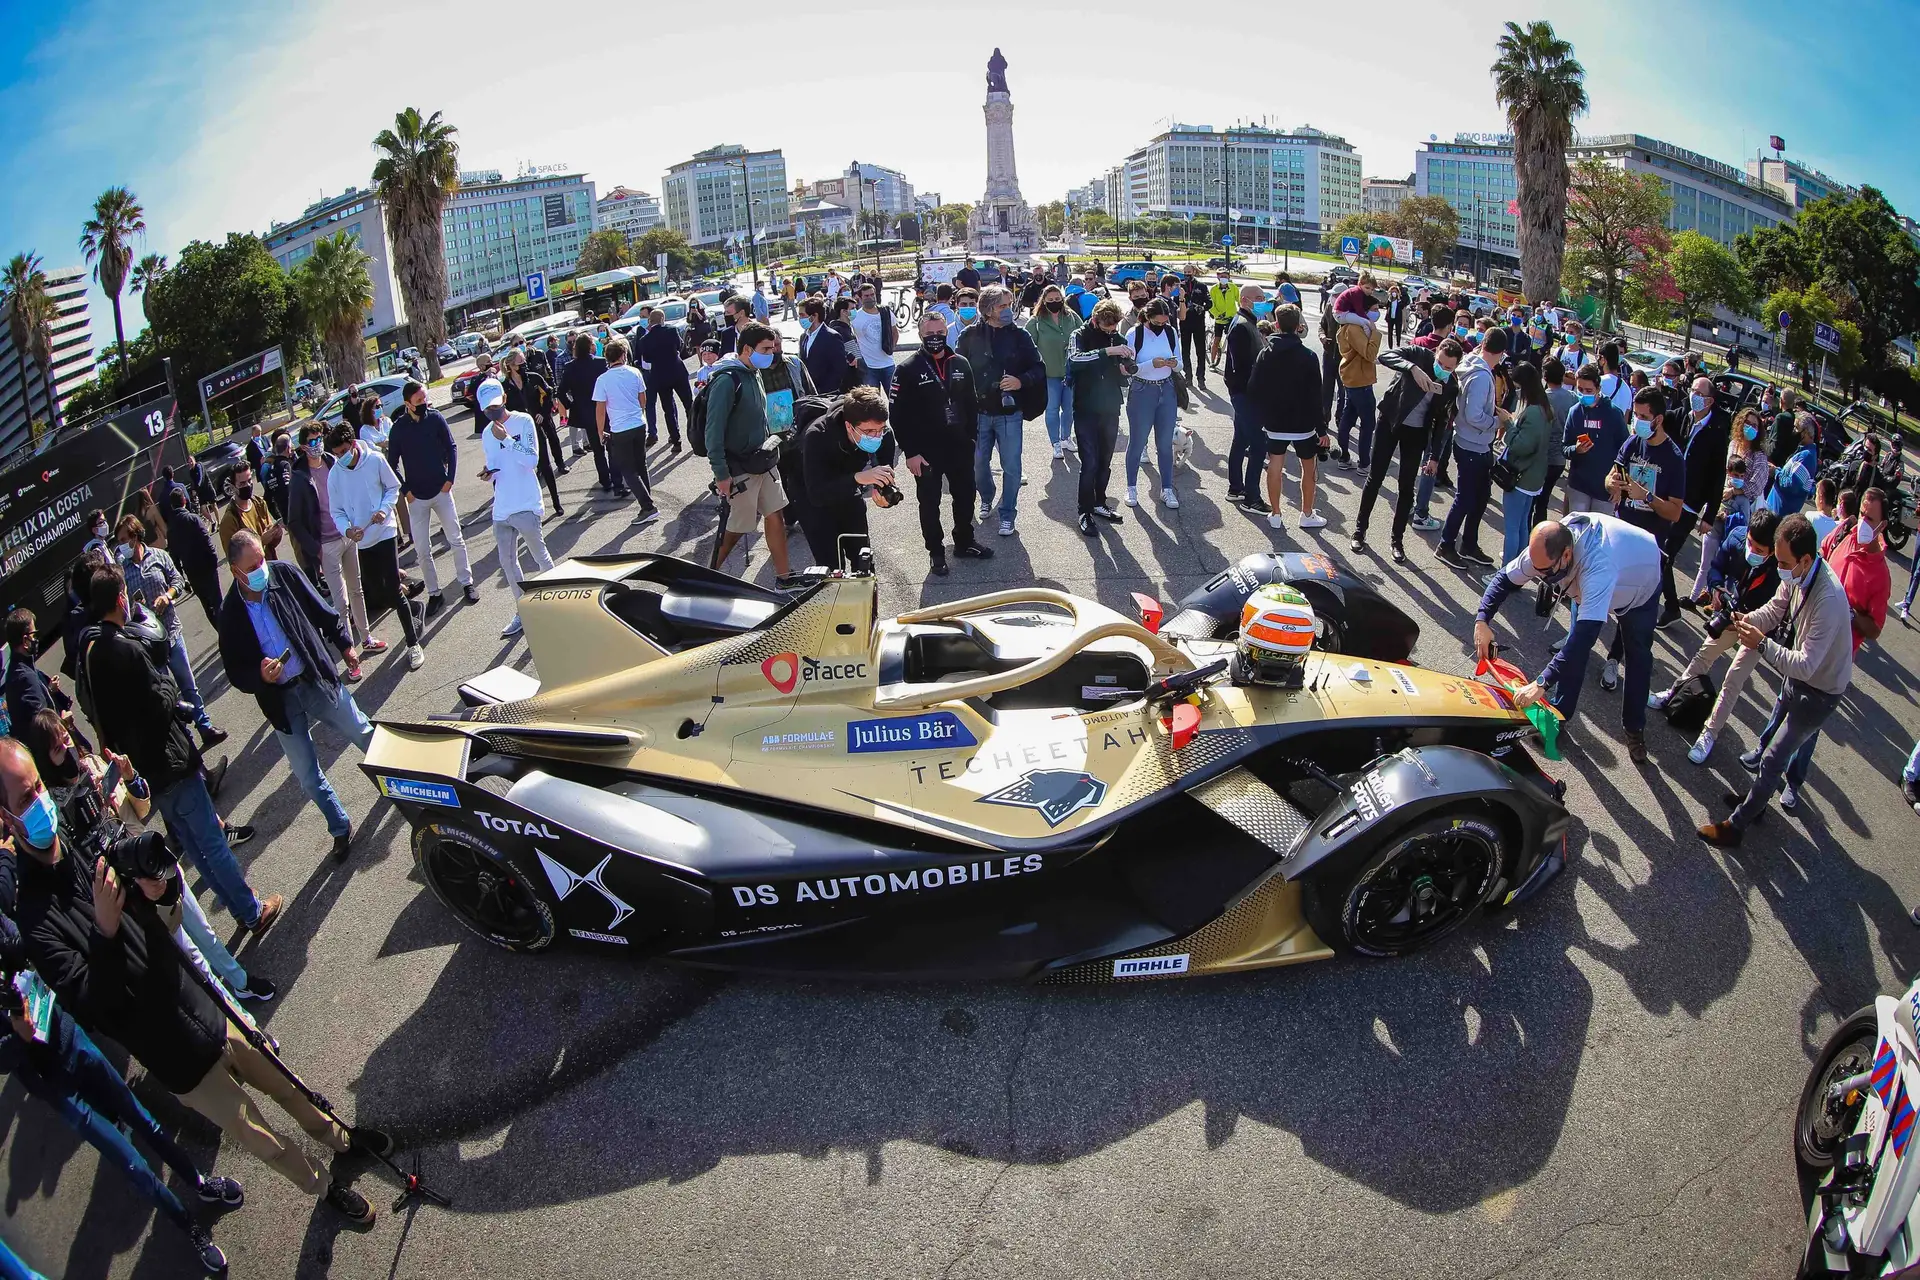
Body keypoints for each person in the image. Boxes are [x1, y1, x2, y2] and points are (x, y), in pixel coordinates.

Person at [5, 738, 383, 1228]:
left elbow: (156, 926)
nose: (39, 804)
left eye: (37, 786)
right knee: (257, 1134)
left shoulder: (78, 845)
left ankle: (341, 1139)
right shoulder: (34, 920)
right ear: (6, 819)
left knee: (285, 1082)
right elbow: (94, 1006)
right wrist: (104, 932)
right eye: (22, 800)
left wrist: (158, 895)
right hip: (174, 1053)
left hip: (202, 1003)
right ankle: (322, 1187)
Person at [76, 564, 282, 932]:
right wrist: (170, 687)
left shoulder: (91, 653)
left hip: (146, 770)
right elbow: (160, 704)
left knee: (197, 849)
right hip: (171, 761)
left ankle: (242, 912)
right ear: (120, 597)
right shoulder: (127, 648)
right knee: (213, 842)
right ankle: (252, 911)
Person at [0, 958, 235, 1274]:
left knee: (145, 1121)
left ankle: (201, 1184)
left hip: (74, 1041)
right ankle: (189, 1226)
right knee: (133, 1164)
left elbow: (19, 943)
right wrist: (18, 1036)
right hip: (57, 1086)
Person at [1697, 514, 1854, 845]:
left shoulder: (1827, 599)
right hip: (1799, 676)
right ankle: (1756, 802)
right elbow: (1774, 610)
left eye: (1783, 562)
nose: (1778, 567)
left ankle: (1735, 827)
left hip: (1820, 691)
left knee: (1772, 759)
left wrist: (1762, 643)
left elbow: (1806, 667)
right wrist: (1741, 621)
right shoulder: (1797, 573)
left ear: (1805, 559)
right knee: (1768, 746)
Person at [218, 531, 368, 859]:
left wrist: (344, 643)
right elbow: (234, 670)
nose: (262, 569)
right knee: (308, 778)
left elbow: (320, 610)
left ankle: (403, 786)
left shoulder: (283, 574)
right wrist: (258, 675)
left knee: (363, 732)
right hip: (281, 702)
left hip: (313, 678)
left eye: (262, 560)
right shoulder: (230, 615)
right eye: (253, 565)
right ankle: (340, 826)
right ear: (235, 571)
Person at [1476, 514, 1664, 761]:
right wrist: (1482, 620)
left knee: (1638, 657)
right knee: (1574, 652)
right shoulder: (1547, 546)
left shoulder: (1598, 568)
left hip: (1640, 583)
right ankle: (1559, 714)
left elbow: (1585, 638)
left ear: (1566, 555)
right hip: (1594, 576)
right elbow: (1504, 579)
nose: (1539, 577)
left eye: (1544, 572)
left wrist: (1540, 683)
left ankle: (1634, 728)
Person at [1651, 507, 1782, 764]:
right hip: (1729, 618)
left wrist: (1750, 622)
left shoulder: (1780, 570)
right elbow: (1716, 567)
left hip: (1755, 629)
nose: (1753, 552)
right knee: (1703, 656)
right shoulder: (1736, 538)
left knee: (1733, 680)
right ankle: (1674, 693)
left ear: (1773, 550)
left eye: (1760, 551)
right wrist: (1717, 590)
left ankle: (1709, 733)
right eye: (1751, 545)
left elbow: (1777, 611)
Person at [890, 312, 991, 574]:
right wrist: (911, 453)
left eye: (940, 334)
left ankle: (965, 542)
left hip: (959, 446)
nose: (935, 339)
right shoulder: (907, 368)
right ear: (921, 335)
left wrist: (972, 437)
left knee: (966, 496)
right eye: (930, 335)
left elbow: (971, 402)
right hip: (925, 452)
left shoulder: (960, 363)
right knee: (930, 502)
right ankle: (936, 551)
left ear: (946, 334)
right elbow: (897, 416)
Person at [113, 517, 226, 750]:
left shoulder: (158, 556)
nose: (123, 545)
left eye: (125, 539)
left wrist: (169, 595)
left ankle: (204, 727)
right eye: (120, 541)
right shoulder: (122, 572)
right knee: (168, 695)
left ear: (136, 536)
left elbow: (177, 578)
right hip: (148, 644)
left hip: (171, 632)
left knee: (188, 685)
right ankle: (188, 742)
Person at [324, 422, 424, 671]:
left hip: (385, 531)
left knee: (391, 587)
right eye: (336, 454)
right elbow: (336, 511)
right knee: (378, 592)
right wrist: (347, 529)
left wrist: (384, 509)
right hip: (361, 539)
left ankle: (413, 644)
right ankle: (413, 609)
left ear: (353, 444)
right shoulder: (335, 474)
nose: (340, 457)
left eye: (343, 451)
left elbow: (393, 487)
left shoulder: (375, 459)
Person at [704, 324, 798, 582]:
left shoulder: (754, 372)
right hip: (740, 468)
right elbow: (713, 432)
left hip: (763, 461)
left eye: (773, 348)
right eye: (766, 349)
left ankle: (785, 578)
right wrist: (721, 473)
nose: (772, 353)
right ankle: (704, 578)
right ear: (747, 349)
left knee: (775, 513)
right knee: (736, 529)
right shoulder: (727, 380)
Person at [1355, 338, 1463, 562]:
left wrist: (1434, 456)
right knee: (1375, 478)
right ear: (1436, 354)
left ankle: (1397, 541)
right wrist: (1412, 368)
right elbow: (1385, 356)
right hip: (1391, 422)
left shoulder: (1451, 385)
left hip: (1416, 434)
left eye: (1448, 367)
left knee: (1406, 487)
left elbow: (1442, 422)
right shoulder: (1419, 355)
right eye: (1440, 363)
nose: (1442, 369)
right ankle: (1359, 531)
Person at [957, 286, 1044, 536]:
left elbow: (1038, 368)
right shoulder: (968, 335)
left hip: (1009, 413)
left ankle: (1008, 513)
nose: (1008, 310)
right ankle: (986, 496)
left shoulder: (1020, 336)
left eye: (1009, 305)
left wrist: (1021, 381)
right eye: (1002, 306)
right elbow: (957, 370)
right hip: (978, 412)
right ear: (988, 309)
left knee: (1012, 466)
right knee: (979, 464)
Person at [474, 380, 557, 639]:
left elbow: (532, 459)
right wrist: (489, 473)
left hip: (526, 503)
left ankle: (562, 605)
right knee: (507, 563)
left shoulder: (523, 421)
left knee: (539, 556)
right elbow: (497, 465)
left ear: (505, 398)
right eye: (488, 410)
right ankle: (523, 610)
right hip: (502, 506)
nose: (493, 413)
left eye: (496, 407)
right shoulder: (487, 433)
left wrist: (507, 439)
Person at [387, 383, 475, 619]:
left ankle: (466, 582)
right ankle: (435, 593)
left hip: (441, 491)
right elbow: (392, 463)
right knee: (423, 550)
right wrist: (405, 490)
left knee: (456, 539)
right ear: (407, 404)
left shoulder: (435, 419)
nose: (423, 404)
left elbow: (451, 447)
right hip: (416, 498)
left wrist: (450, 479)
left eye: (425, 399)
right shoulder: (398, 429)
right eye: (418, 401)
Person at [1245, 304, 1328, 535]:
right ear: (1299, 327)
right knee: (1308, 468)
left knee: (1275, 465)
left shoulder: (1265, 354)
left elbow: (1253, 389)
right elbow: (1315, 396)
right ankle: (1307, 513)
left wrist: (1264, 412)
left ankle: (1276, 514)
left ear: (1276, 325)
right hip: (1304, 424)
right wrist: (1322, 429)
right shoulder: (1309, 356)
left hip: (1274, 422)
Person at [1654, 375, 1730, 626]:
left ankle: (1671, 606)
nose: (1692, 396)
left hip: (1689, 504)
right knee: (1659, 550)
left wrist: (1709, 516)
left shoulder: (1717, 431)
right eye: (1691, 391)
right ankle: (1663, 601)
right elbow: (1664, 415)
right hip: (1669, 495)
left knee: (1664, 554)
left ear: (1708, 401)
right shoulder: (1684, 417)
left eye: (1698, 393)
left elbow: (1718, 476)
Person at [798, 387, 897, 570]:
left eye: (880, 429)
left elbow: (883, 474)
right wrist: (858, 478)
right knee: (831, 567)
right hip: (810, 492)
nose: (876, 436)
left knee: (863, 558)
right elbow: (817, 494)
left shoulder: (883, 434)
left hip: (849, 488)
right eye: (868, 431)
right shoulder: (817, 436)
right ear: (848, 426)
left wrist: (883, 493)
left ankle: (866, 597)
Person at [1436, 326, 1509, 567]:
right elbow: (1474, 414)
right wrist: (1499, 421)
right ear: (1500, 353)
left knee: (1479, 498)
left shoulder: (1472, 363)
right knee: (1466, 498)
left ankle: (1468, 544)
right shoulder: (1480, 376)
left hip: (1473, 444)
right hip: (1473, 445)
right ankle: (1446, 544)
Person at [1063, 299, 1134, 536]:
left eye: (1114, 328)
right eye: (1107, 328)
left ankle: (1099, 502)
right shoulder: (1079, 334)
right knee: (1090, 462)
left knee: (1105, 461)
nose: (1112, 331)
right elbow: (1074, 360)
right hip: (1084, 407)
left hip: (1111, 407)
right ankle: (1084, 511)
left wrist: (1126, 367)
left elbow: (1126, 369)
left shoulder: (1118, 338)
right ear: (1095, 320)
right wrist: (1107, 351)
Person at [1122, 297, 1181, 513]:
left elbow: (1180, 362)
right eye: (1157, 323)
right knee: (1137, 441)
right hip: (1142, 390)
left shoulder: (1171, 332)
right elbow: (1128, 368)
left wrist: (1174, 364)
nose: (1161, 326)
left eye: (1165, 322)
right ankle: (1131, 487)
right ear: (1147, 317)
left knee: (1165, 443)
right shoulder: (1134, 334)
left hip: (1166, 389)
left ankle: (1166, 488)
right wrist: (1149, 364)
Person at [592, 337, 659, 525]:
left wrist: (600, 432)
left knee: (627, 469)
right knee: (640, 465)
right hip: (638, 423)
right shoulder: (634, 372)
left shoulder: (603, 380)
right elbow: (643, 399)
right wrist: (639, 414)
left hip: (620, 428)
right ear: (623, 355)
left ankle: (648, 506)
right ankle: (647, 502)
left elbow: (600, 410)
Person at [1499, 363, 1554, 566]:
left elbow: (1521, 446)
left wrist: (1508, 423)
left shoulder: (1532, 413)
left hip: (1522, 476)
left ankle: (1506, 572)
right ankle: (1519, 567)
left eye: (1519, 387)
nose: (1518, 391)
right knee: (1522, 525)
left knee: (1512, 527)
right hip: (1533, 477)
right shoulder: (1544, 407)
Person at [499, 350, 565, 516]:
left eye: (524, 362)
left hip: (538, 425)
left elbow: (548, 393)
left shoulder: (534, 378)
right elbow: (504, 409)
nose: (524, 366)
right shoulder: (505, 386)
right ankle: (529, 506)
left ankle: (556, 503)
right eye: (520, 363)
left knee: (546, 464)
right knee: (524, 469)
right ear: (511, 366)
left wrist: (543, 412)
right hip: (520, 432)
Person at [1223, 285, 1271, 512]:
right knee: (1258, 446)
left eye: (1263, 298)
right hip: (1245, 394)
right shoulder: (1242, 326)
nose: (1263, 302)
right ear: (1244, 300)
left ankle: (1235, 488)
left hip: (1244, 393)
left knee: (1241, 440)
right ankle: (1252, 498)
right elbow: (1241, 367)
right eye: (1258, 298)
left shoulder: (1248, 323)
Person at [1560, 363, 1629, 516]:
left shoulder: (1613, 414)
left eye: (1589, 390)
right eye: (1580, 390)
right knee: (1577, 532)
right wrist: (1575, 449)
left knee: (1597, 536)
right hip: (1579, 485)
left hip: (1604, 490)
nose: (1584, 394)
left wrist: (1619, 487)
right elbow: (1564, 447)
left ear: (1598, 388)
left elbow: (1625, 452)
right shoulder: (1575, 412)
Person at [558, 333, 619, 497]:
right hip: (605, 409)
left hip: (585, 412)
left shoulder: (571, 367)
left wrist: (572, 405)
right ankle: (616, 479)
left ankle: (605, 481)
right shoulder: (600, 363)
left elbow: (561, 391)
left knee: (597, 449)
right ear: (590, 346)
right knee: (611, 445)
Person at [1027, 284, 1080, 461]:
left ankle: (1066, 438)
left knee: (1070, 408)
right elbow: (1027, 346)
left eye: (1058, 299)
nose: (1055, 302)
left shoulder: (1071, 317)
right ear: (1044, 301)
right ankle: (1055, 443)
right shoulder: (1036, 321)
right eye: (1050, 300)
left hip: (1070, 372)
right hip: (1049, 374)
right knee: (1051, 409)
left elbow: (1083, 335)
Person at [1334, 291, 1383, 471]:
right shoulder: (1355, 328)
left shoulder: (1354, 326)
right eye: (1374, 309)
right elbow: (1369, 354)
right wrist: (1376, 335)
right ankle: (1363, 463)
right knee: (1367, 422)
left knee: (1349, 417)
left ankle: (1344, 457)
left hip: (1356, 378)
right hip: (1359, 380)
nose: (1377, 313)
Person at [639, 307, 694, 452]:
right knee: (688, 403)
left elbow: (647, 358)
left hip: (660, 375)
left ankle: (676, 440)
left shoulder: (645, 339)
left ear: (650, 322)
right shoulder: (671, 330)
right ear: (663, 319)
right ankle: (695, 435)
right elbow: (680, 345)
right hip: (677, 371)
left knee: (668, 408)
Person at [216, 462, 282, 564]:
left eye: (249, 480)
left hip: (271, 565)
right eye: (242, 483)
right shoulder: (229, 521)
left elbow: (270, 544)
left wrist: (276, 534)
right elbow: (235, 561)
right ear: (233, 487)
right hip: (254, 576)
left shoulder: (259, 503)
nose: (247, 485)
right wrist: (260, 542)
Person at [1767, 413, 1821, 516]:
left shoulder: (1807, 457)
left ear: (1805, 432)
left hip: (1779, 514)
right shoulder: (1803, 453)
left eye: (1796, 428)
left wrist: (1776, 472)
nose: (1794, 431)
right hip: (1775, 511)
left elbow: (1792, 485)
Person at [849, 282, 898, 392]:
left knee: (894, 399)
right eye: (866, 296)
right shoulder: (856, 317)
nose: (870, 298)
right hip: (868, 367)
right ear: (860, 298)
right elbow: (850, 339)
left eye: (872, 295)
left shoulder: (885, 312)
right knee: (872, 404)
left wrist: (891, 347)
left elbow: (895, 332)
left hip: (888, 364)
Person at [800, 297, 853, 395]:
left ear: (814, 316)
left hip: (827, 395)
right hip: (810, 394)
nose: (800, 319)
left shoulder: (832, 336)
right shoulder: (804, 337)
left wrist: (826, 391)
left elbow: (839, 368)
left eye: (802, 315)